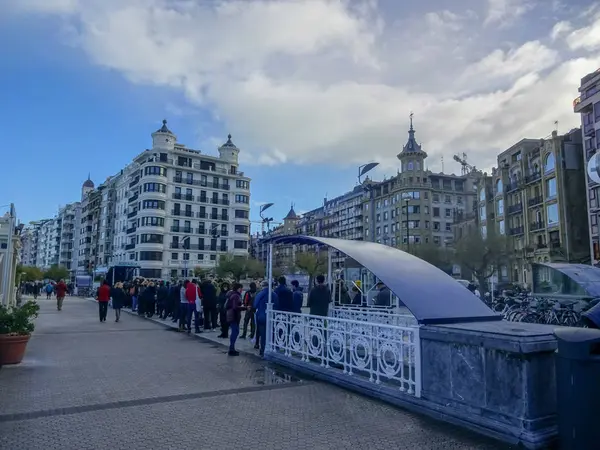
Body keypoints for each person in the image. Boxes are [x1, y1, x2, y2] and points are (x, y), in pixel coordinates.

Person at [253, 280, 278, 356]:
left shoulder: (260, 294)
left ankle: (263, 350)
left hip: (261, 316)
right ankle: (271, 348)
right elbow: (277, 305)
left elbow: (255, 305)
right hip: (271, 316)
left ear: (263, 286)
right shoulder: (274, 294)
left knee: (263, 334)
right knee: (271, 333)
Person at [226, 283, 245, 356]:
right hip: (234, 316)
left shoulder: (232, 294)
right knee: (235, 331)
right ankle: (231, 349)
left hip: (231, 315)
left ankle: (232, 348)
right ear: (238, 288)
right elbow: (235, 307)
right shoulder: (236, 296)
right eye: (241, 288)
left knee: (235, 331)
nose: (241, 290)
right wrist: (245, 307)